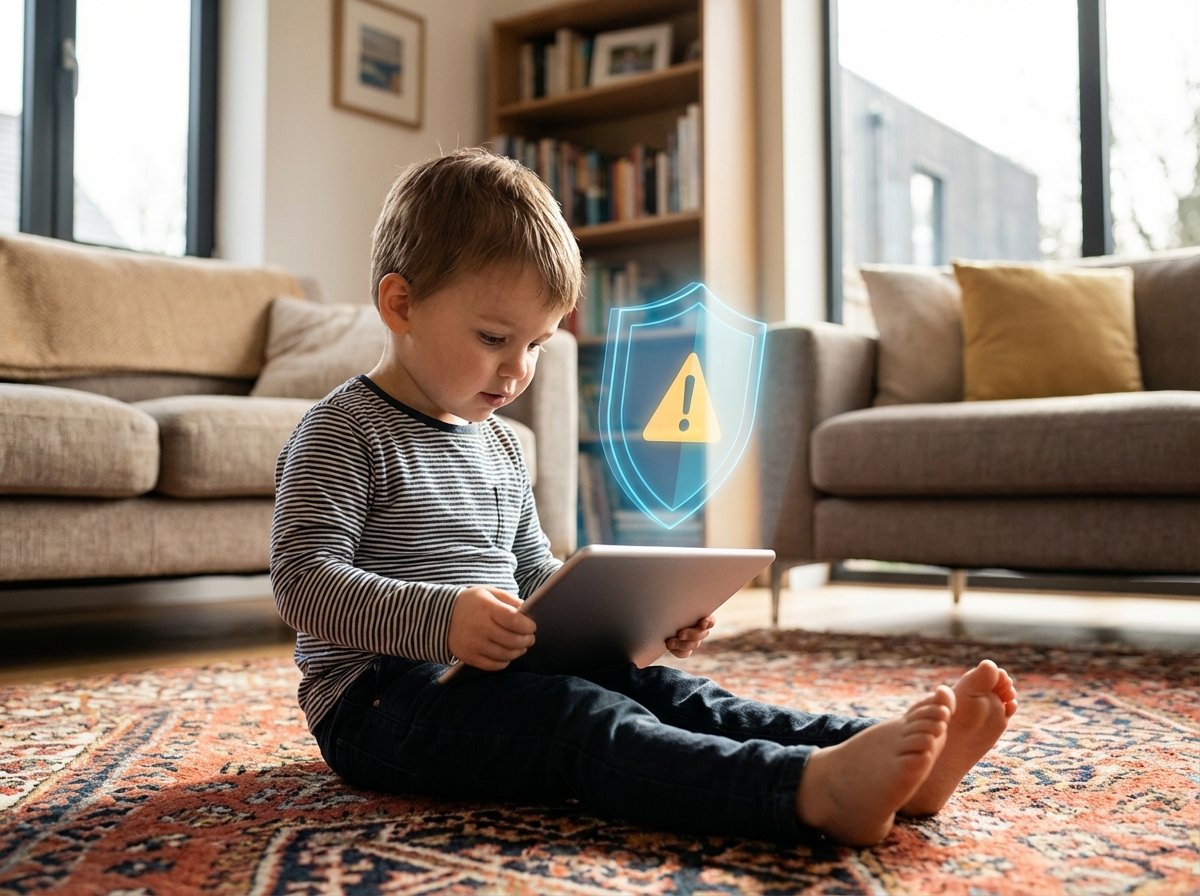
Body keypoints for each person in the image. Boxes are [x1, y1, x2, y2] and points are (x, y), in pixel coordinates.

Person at [270, 147, 1018, 845]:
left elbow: (535, 575)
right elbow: (303, 584)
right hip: (376, 704)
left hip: (492, 675)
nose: (518, 370)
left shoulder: (501, 444)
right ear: (400, 304)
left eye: (536, 345)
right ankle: (807, 791)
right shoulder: (342, 430)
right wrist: (444, 619)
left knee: (666, 690)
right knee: (579, 719)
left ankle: (872, 753)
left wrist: (640, 619)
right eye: (494, 338)